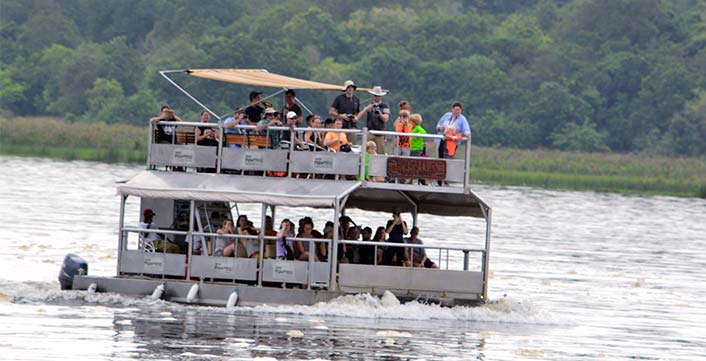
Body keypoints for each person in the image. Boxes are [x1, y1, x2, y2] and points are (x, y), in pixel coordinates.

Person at [356, 86, 390, 154]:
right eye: (375, 95)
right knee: (365, 151)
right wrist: (366, 109)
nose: (377, 97)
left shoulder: (385, 106)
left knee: (381, 152)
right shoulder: (369, 105)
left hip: (380, 133)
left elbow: (385, 119)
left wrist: (380, 113)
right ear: (372, 96)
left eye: (379, 96)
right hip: (370, 132)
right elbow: (358, 117)